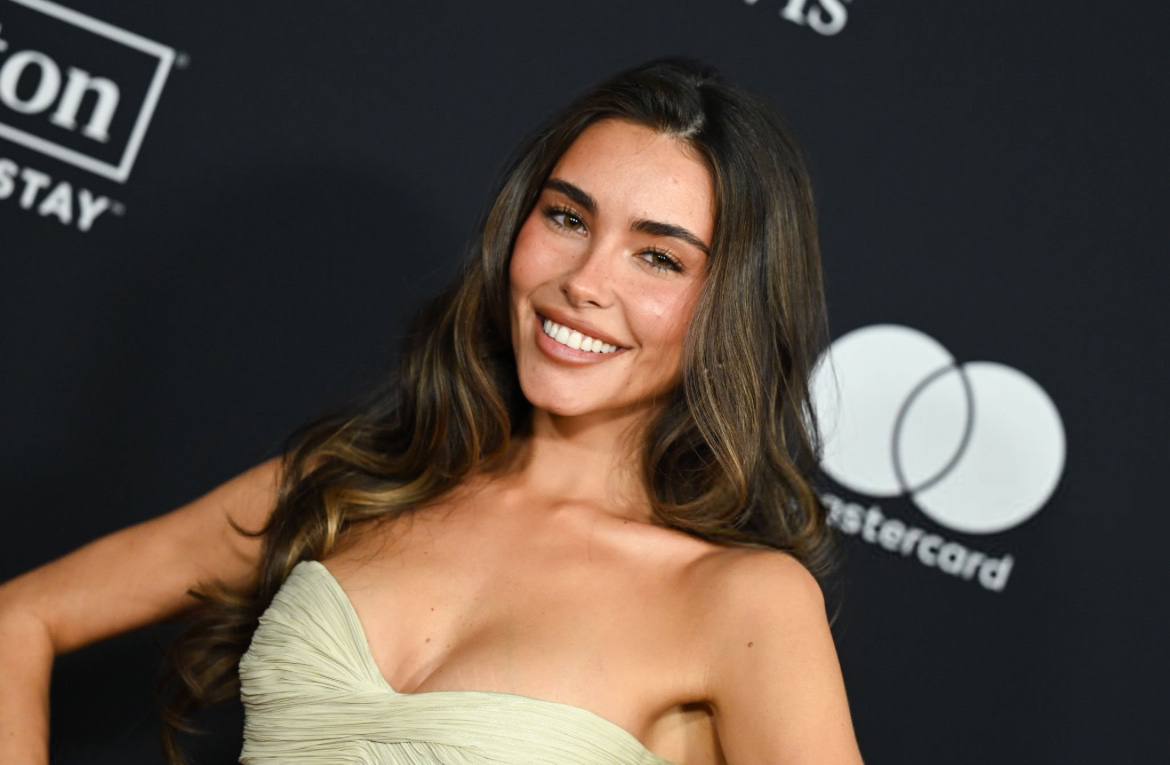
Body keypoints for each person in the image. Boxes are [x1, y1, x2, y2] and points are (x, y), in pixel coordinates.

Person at [0, 57, 864, 764]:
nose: (585, 282)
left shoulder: (739, 603)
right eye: (568, 217)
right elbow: (20, 619)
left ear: (732, 309)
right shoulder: (357, 481)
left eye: (659, 258)